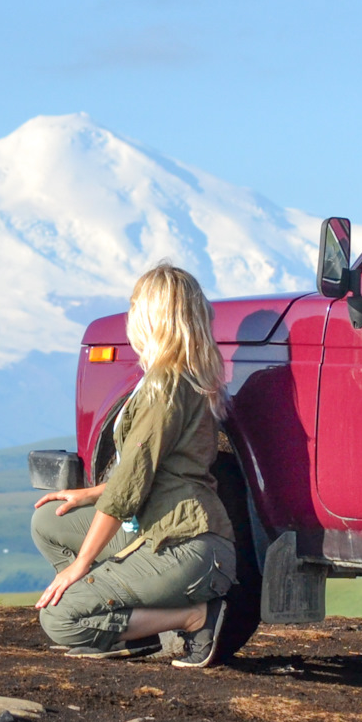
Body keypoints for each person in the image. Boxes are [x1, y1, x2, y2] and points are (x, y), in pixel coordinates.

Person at [28, 263, 236, 667]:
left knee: (59, 619)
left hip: (185, 546)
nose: (130, 315)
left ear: (153, 316)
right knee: (49, 521)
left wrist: (79, 568)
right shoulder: (175, 377)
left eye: (136, 305)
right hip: (161, 533)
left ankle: (195, 618)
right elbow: (148, 472)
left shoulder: (166, 386)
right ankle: (126, 625)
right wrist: (89, 493)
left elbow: (127, 488)